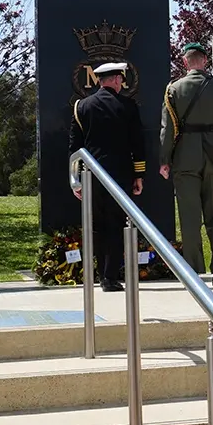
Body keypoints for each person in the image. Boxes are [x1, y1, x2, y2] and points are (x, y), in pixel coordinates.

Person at [159, 43, 213, 287]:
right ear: (205, 60)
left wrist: (164, 160)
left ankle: (193, 271)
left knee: (189, 217)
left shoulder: (174, 88)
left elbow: (168, 129)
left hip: (185, 157)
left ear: (185, 62)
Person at [69, 61, 146, 292]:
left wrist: (76, 180)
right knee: (115, 225)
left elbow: (74, 147)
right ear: (113, 80)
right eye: (120, 79)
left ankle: (100, 273)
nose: (122, 83)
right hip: (119, 175)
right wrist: (139, 175)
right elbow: (138, 144)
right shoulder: (128, 106)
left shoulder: (81, 106)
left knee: (96, 226)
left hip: (91, 174)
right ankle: (109, 277)